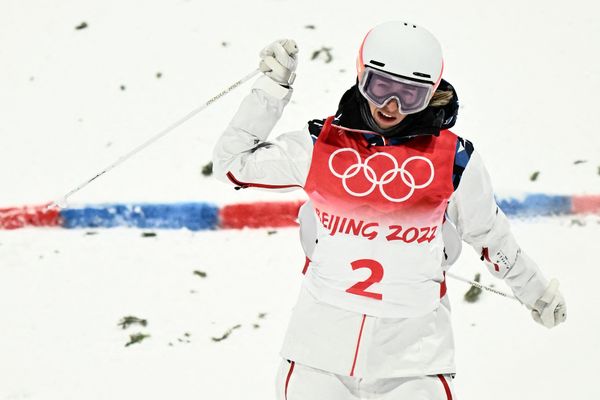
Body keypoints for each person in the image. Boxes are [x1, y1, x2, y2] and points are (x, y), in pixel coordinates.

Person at [212, 21, 567, 400]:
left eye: (410, 95)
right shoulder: (322, 146)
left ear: (431, 93)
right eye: (380, 87)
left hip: (413, 364)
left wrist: (537, 293)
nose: (391, 107)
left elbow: (492, 238)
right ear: (361, 76)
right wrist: (270, 90)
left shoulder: (454, 159)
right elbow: (232, 163)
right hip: (318, 356)